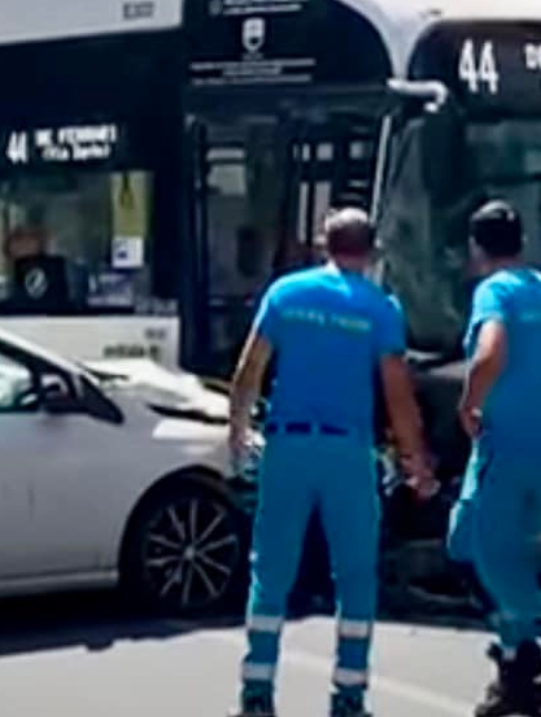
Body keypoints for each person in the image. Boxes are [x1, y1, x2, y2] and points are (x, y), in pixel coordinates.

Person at [226, 208, 437, 717]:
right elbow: (397, 394)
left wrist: (237, 433)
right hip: (348, 453)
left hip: (286, 448)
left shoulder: (285, 294)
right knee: (356, 575)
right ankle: (347, 697)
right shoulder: (381, 308)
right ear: (370, 251)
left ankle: (257, 693)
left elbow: (249, 368)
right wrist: (416, 462)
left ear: (323, 243)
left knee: (271, 572)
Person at [447, 201, 541, 717]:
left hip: (501, 441)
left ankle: (521, 660)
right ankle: (517, 655)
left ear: (475, 247)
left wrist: (469, 401)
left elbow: (491, 350)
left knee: (489, 555)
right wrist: (538, 387)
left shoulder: (495, 290)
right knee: (473, 542)